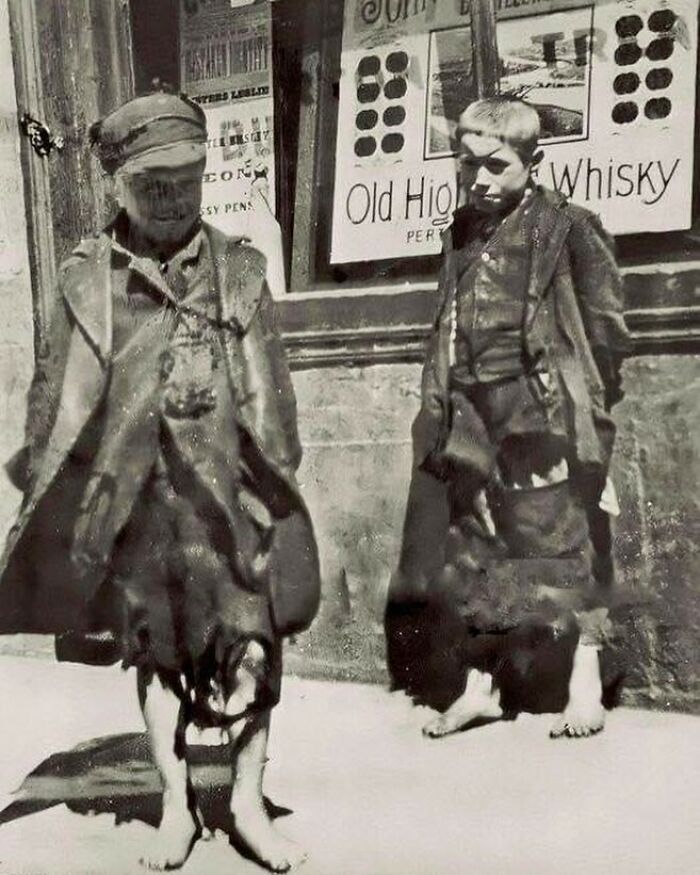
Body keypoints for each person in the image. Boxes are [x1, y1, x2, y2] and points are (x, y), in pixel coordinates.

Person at [0, 89, 319, 872]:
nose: (172, 201)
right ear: (117, 185)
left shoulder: (241, 270)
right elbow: (55, 398)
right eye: (152, 186)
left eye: (186, 181)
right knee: (157, 651)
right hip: (138, 502)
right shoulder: (88, 279)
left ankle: (246, 800)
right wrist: (58, 493)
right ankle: (175, 803)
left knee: (253, 647)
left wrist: (273, 484)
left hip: (230, 499)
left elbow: (274, 396)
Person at [385, 97, 631, 740]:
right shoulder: (461, 232)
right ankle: (483, 686)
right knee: (475, 543)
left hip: (537, 411)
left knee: (557, 538)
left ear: (534, 161)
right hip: (467, 410)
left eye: (495, 166)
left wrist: (589, 414)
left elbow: (605, 328)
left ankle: (584, 680)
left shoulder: (570, 227)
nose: (480, 181)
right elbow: (450, 318)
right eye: (468, 166)